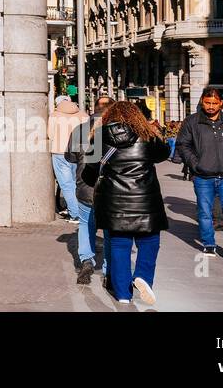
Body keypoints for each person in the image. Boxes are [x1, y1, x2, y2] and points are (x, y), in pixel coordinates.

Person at [80, 100, 169, 306]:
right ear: (136, 116)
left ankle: (122, 294)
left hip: (114, 202)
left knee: (120, 244)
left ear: (108, 117)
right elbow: (164, 154)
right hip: (145, 200)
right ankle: (143, 276)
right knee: (149, 241)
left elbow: (89, 172)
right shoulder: (147, 136)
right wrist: (154, 132)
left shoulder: (99, 137)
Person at [176, 87, 223, 261]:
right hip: (203, 175)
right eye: (207, 102)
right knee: (204, 211)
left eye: (214, 103)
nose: (210, 106)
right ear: (202, 101)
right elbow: (183, 145)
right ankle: (208, 244)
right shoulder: (192, 122)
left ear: (220, 104)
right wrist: (196, 164)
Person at [65, 94, 113, 284]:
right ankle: (109, 269)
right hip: (111, 190)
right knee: (110, 229)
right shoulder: (118, 130)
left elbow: (70, 157)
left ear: (94, 108)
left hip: (85, 186)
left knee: (86, 224)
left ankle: (86, 260)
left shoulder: (80, 130)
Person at [47, 95, 84, 223]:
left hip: (60, 152)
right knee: (78, 183)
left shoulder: (54, 115)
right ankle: (81, 211)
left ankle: (75, 214)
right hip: (79, 152)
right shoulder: (83, 115)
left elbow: (50, 135)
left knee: (66, 184)